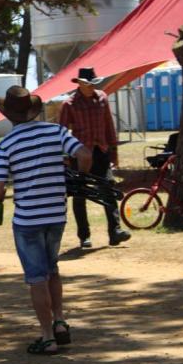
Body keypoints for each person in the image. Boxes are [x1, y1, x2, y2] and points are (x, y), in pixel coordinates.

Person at [0, 85, 92, 355]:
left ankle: (47, 337)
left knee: (36, 278)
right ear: (32, 109)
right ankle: (59, 321)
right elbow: (84, 155)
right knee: (52, 270)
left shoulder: (6, 145)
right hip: (56, 214)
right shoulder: (55, 131)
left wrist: (0, 196)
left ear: (8, 114)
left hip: (27, 219)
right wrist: (78, 180)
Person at [59, 67, 131, 248]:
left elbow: (109, 125)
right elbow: (61, 131)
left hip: (101, 151)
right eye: (88, 84)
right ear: (80, 83)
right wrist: (65, 155)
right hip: (80, 154)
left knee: (108, 187)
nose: (91, 87)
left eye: (93, 84)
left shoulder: (102, 98)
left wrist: (114, 151)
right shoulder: (69, 104)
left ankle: (115, 232)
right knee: (80, 194)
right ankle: (84, 236)